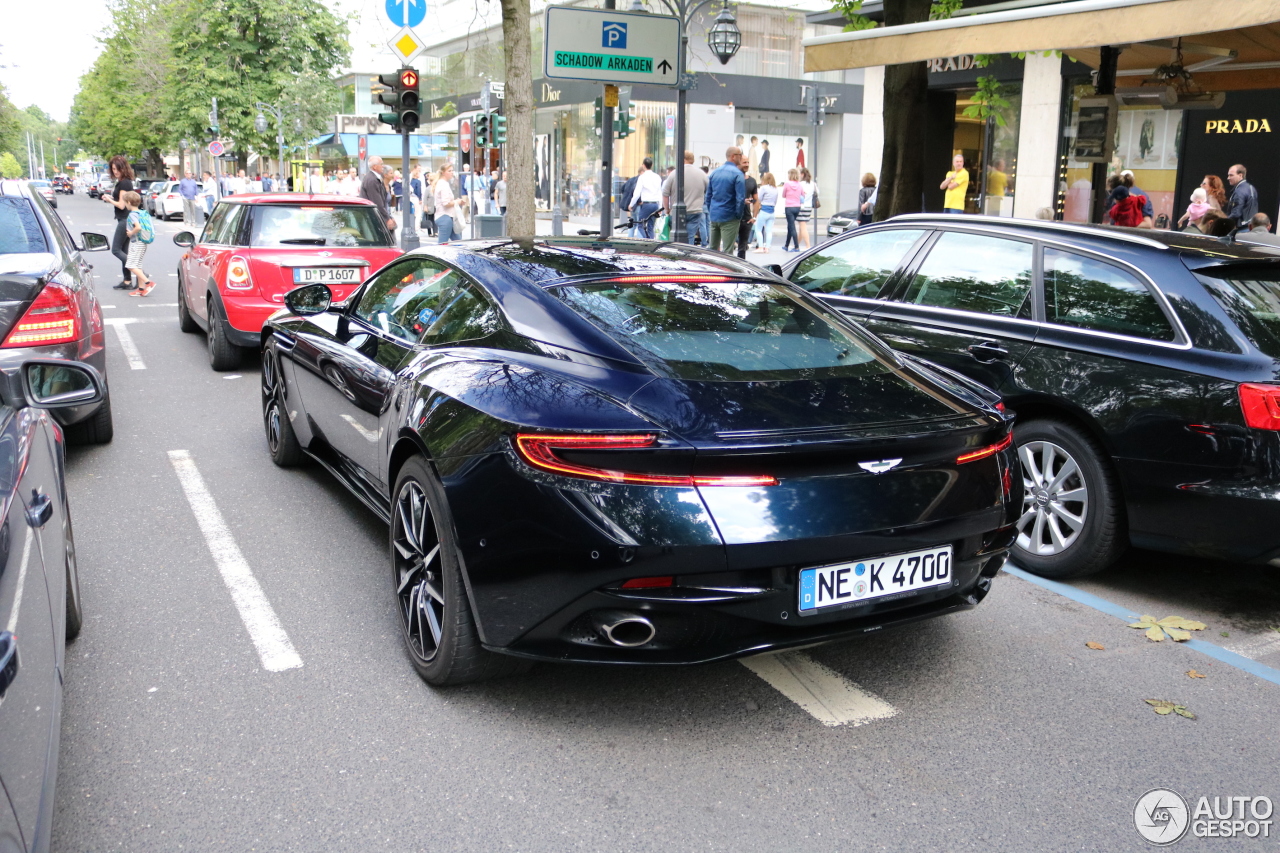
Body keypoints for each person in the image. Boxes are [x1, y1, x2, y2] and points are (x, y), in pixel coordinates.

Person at [102, 155, 136, 290]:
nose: (115, 171)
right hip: (127, 218)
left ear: (123, 168)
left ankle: (140, 273)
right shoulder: (123, 182)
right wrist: (111, 197)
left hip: (125, 219)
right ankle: (127, 281)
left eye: (117, 169)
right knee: (124, 250)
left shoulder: (124, 183)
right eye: (113, 169)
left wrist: (109, 200)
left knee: (116, 250)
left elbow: (121, 205)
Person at [661, 151, 709, 247]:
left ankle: (677, 255)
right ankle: (688, 255)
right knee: (690, 237)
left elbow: (665, 194)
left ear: (682, 159)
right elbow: (708, 192)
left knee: (676, 237)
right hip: (695, 211)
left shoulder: (674, 174)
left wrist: (667, 209)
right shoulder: (702, 174)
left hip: (676, 212)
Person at [705, 147, 746, 253]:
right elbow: (740, 198)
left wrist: (711, 211)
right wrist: (738, 215)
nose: (741, 157)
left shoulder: (714, 173)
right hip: (729, 216)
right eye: (740, 155)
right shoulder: (738, 174)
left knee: (712, 249)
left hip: (715, 215)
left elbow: (708, 196)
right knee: (728, 251)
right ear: (733, 156)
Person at [121, 191, 156, 297]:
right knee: (138, 265)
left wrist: (131, 233)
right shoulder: (142, 212)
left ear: (128, 202)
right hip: (143, 241)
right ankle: (141, 289)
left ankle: (148, 283)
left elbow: (138, 227)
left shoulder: (132, 215)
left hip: (136, 242)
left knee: (130, 265)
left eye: (125, 203)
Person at [360, 156, 396, 234]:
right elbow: (377, 202)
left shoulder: (374, 178)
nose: (382, 166)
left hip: (375, 216)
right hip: (372, 218)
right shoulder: (372, 179)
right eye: (381, 164)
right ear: (375, 167)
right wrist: (387, 218)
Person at [631, 157, 663, 239]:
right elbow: (660, 192)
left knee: (640, 225)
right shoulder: (657, 177)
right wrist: (660, 207)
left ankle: (647, 240)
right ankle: (651, 241)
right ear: (652, 165)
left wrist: (631, 204)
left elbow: (637, 193)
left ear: (643, 165)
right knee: (651, 226)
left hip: (646, 205)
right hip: (655, 204)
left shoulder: (642, 177)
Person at [434, 162, 463, 243]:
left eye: (452, 171)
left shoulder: (443, 183)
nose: (452, 173)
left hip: (448, 217)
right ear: (443, 173)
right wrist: (457, 201)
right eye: (449, 171)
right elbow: (446, 203)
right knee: (442, 243)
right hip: (444, 217)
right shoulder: (443, 184)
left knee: (458, 242)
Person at [736, 157, 758, 259]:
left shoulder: (752, 181)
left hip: (746, 219)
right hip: (733, 218)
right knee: (729, 247)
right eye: (744, 162)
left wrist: (754, 217)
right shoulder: (734, 178)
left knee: (742, 248)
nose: (747, 164)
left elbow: (756, 200)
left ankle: (739, 271)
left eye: (748, 162)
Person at [752, 173, 778, 252]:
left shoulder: (764, 188)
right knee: (769, 230)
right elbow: (775, 201)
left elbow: (759, 198)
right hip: (772, 211)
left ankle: (760, 247)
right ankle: (767, 247)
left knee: (758, 229)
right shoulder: (775, 189)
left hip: (764, 210)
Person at [781, 168, 804, 252]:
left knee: (792, 227)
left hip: (789, 207)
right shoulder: (799, 184)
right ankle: (786, 245)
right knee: (790, 226)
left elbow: (783, 195)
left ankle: (796, 246)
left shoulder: (787, 184)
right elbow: (803, 195)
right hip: (797, 207)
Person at [796, 167, 815, 251]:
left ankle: (808, 245)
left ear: (802, 174)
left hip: (801, 206)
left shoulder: (800, 184)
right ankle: (797, 244)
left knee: (802, 226)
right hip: (809, 206)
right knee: (801, 227)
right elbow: (817, 192)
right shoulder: (813, 183)